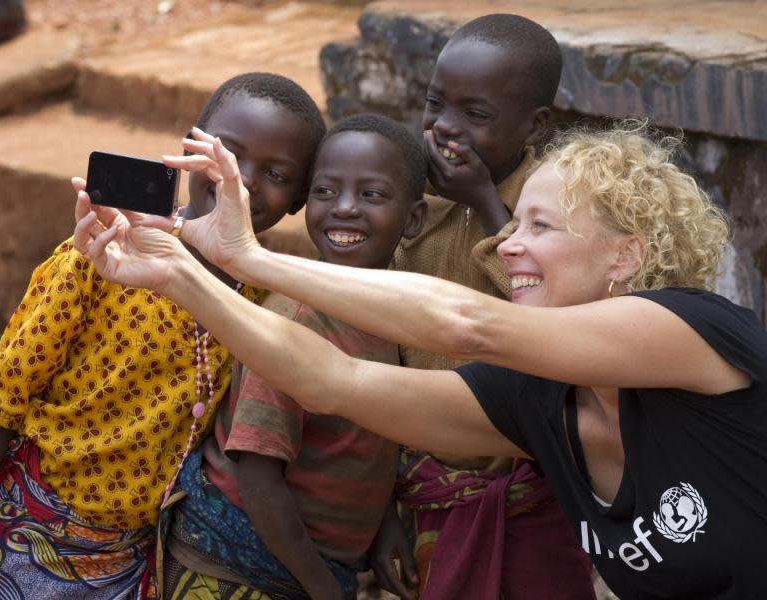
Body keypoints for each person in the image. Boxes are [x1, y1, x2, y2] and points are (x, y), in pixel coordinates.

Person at [74, 119, 767, 599]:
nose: (504, 246)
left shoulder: (693, 330)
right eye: (514, 222)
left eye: (541, 226)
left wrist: (252, 258)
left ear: (627, 253)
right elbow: (332, 378)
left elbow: (467, 323)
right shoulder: (537, 402)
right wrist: (182, 275)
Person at [0, 72, 325, 599]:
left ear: (298, 199)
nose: (239, 180)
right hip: (23, 533)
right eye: (228, 155)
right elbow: (0, 401)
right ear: (187, 150)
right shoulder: (104, 258)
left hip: (133, 559)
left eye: (275, 172)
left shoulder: (263, 301)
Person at [160, 113, 427, 600]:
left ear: (414, 219)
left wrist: (382, 523)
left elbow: (365, 435)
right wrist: (324, 590)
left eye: (371, 194)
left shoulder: (386, 312)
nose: (344, 209)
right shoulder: (298, 320)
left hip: (303, 564)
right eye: (326, 191)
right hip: (236, 569)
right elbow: (259, 477)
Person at [378, 14, 593, 599]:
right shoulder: (409, 198)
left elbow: (552, 322)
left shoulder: (553, 208)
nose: (446, 128)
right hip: (422, 481)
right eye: (434, 105)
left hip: (527, 488)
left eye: (475, 115)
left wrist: (485, 204)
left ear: (534, 124)